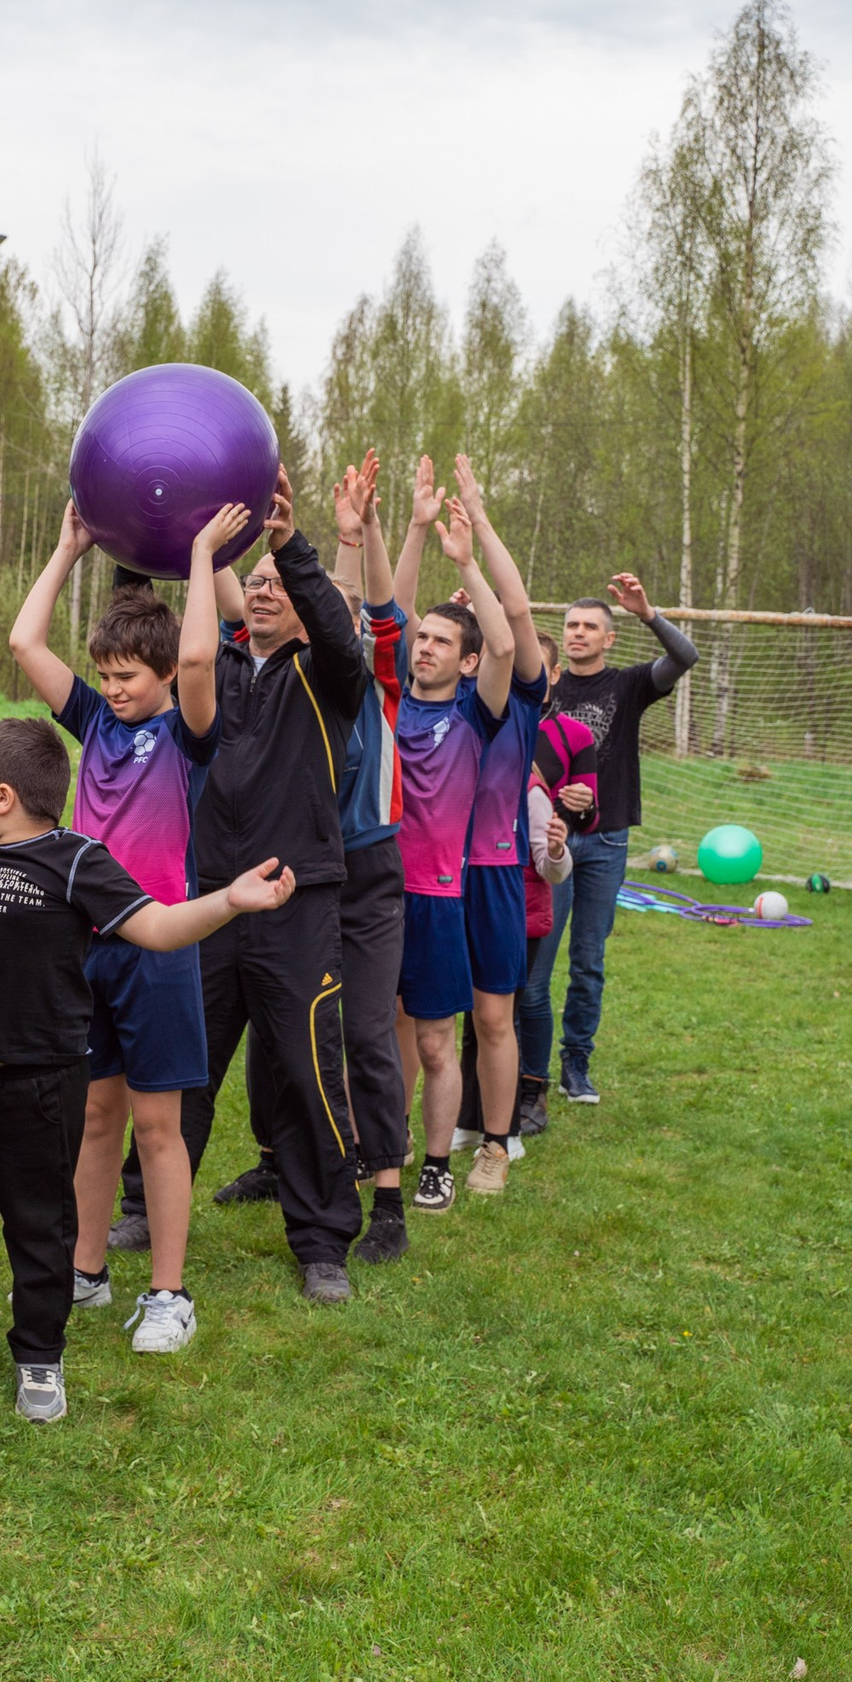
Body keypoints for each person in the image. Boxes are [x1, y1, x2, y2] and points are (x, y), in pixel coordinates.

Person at [0, 718, 292, 1419]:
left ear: (5, 794)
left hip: (38, 1080)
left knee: (39, 1224)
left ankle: (40, 1356)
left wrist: (230, 900)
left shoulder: (77, 860)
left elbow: (157, 928)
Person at [6, 499, 221, 1349]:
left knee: (158, 1125)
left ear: (164, 677)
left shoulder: (188, 733)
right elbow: (27, 642)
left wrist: (201, 553)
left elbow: (200, 649)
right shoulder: (94, 721)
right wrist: (64, 550)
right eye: (108, 671)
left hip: (156, 947)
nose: (116, 686)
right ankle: (85, 1270)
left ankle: (169, 1294)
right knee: (94, 1115)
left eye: (130, 673)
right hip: (81, 948)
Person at [174, 467, 372, 1302]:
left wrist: (292, 546)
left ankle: (322, 1239)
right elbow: (184, 657)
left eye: (273, 584)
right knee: (185, 1064)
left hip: (299, 903)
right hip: (216, 903)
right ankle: (154, 1205)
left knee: (306, 1069)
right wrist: (195, 551)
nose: (260, 593)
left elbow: (338, 628)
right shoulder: (221, 672)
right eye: (249, 581)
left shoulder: (328, 679)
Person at [220, 455, 416, 1261]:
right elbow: (260, 605)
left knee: (364, 1031)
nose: (276, 597)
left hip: (365, 874)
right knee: (279, 1032)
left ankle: (390, 1200)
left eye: (287, 588)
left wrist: (358, 532)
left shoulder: (368, 675)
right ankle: (275, 1161)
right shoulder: (274, 670)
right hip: (292, 871)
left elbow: (355, 611)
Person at [396, 457, 549, 1200]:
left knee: (493, 1016)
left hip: (492, 870)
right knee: (418, 1018)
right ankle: (413, 1139)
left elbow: (514, 625)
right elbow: (390, 627)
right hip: (435, 871)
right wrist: (421, 533)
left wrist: (477, 532)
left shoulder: (514, 692)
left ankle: (495, 1140)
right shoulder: (431, 695)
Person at [536, 574, 698, 1104]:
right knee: (537, 956)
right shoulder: (545, 687)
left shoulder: (628, 686)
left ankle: (575, 1066)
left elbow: (685, 656)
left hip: (606, 843)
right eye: (571, 626)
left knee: (588, 961)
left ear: (609, 638)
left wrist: (647, 613)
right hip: (551, 839)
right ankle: (525, 1069)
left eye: (590, 627)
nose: (579, 633)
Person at [513, 635, 599, 1138]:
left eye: (536, 667)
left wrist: (580, 805)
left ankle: (533, 1091)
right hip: (485, 876)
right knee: (489, 996)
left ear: (553, 675)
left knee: (532, 991)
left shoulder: (572, 736)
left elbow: (590, 819)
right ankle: (481, 1100)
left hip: (547, 873)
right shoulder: (487, 722)